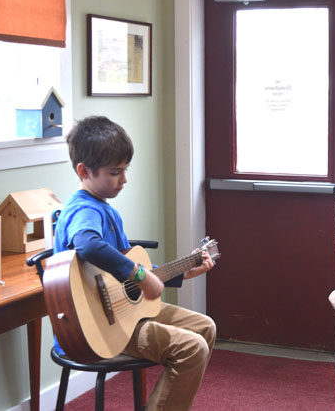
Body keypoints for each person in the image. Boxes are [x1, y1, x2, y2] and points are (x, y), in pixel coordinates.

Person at [53, 115, 216, 411]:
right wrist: (141, 274)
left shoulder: (108, 211)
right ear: (83, 170)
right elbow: (88, 244)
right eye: (115, 172)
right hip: (97, 327)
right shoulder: (82, 209)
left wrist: (182, 273)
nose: (124, 180)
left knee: (204, 327)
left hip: (125, 312)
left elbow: (125, 280)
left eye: (125, 170)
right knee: (192, 347)